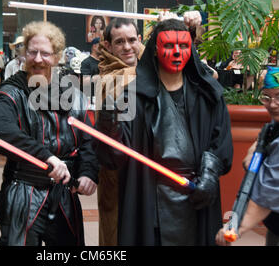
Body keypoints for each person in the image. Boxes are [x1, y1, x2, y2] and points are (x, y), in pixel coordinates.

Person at [95, 18, 233, 245]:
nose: (177, 52)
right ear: (156, 50)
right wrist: (110, 125)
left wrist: (209, 173)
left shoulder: (209, 95)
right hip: (149, 199)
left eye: (183, 46)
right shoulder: (133, 97)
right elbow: (114, 156)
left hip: (196, 196)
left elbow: (220, 142)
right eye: (169, 46)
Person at [0, 21, 98, 246]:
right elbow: (0, 130)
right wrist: (45, 157)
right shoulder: (12, 92)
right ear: (24, 55)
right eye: (32, 52)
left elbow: (88, 139)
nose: (38, 59)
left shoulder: (73, 94)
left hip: (65, 194)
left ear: (57, 56)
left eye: (45, 53)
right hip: (23, 192)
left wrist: (88, 172)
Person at [216, 66, 279, 246]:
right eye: (267, 97)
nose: (272, 104)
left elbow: (266, 199)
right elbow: (254, 155)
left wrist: (235, 227)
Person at [94, 18, 144, 246]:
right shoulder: (109, 76)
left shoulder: (142, 68)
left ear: (139, 41)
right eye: (119, 41)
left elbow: (209, 75)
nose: (127, 47)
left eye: (132, 40)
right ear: (108, 46)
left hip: (145, 171)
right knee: (116, 236)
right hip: (118, 174)